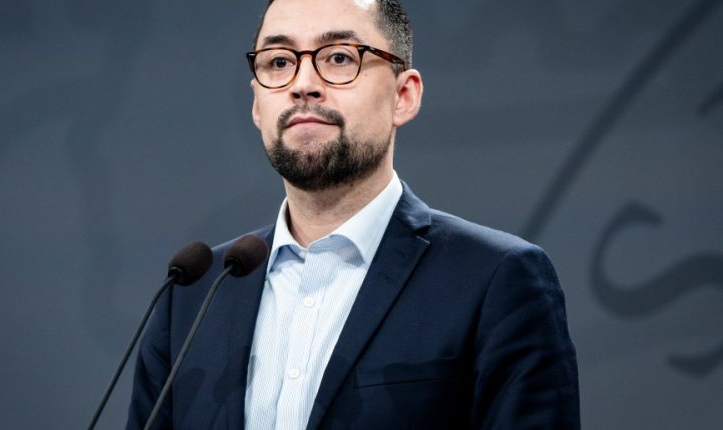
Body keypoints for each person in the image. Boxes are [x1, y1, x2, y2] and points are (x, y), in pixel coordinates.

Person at [127, 0, 580, 428]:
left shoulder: (496, 280)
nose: (302, 83)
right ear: (256, 105)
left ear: (404, 95)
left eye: (340, 57)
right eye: (279, 62)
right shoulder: (192, 295)